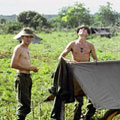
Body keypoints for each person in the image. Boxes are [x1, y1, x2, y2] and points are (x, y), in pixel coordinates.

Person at [58, 25, 98, 120]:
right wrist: (70, 61)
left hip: (87, 73)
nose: (83, 30)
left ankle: (88, 116)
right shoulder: (72, 44)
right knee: (79, 99)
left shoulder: (90, 45)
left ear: (87, 34)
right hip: (75, 73)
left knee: (93, 96)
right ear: (78, 32)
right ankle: (76, 118)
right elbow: (61, 57)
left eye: (85, 30)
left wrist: (93, 64)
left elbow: (96, 60)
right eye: (81, 29)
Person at [10, 28, 38, 120]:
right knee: (23, 104)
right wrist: (29, 68)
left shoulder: (26, 49)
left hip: (27, 77)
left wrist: (31, 69)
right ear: (22, 37)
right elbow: (13, 64)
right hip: (21, 77)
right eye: (26, 37)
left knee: (27, 103)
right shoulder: (19, 48)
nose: (28, 39)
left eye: (30, 37)